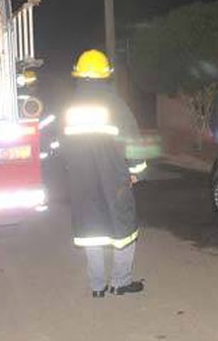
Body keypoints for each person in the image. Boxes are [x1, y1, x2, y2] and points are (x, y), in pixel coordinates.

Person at [59, 49, 147, 298]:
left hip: (81, 181)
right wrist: (136, 170)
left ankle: (97, 287)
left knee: (92, 229)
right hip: (114, 178)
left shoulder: (69, 107)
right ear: (105, 75)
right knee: (124, 228)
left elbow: (61, 145)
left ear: (78, 75)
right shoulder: (116, 105)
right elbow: (132, 140)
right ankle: (121, 282)